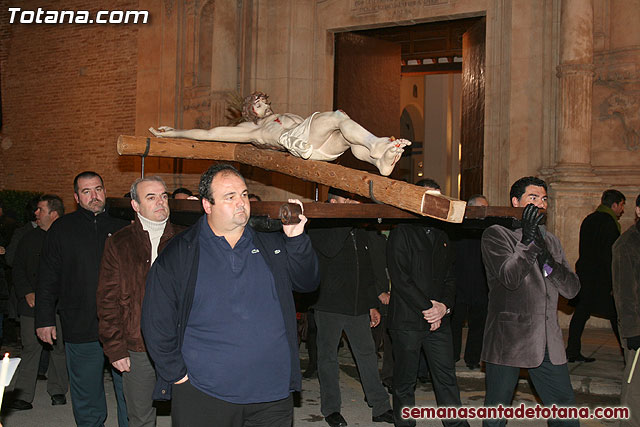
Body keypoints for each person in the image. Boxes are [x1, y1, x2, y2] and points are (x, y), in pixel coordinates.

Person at [141, 163, 319, 426]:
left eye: (244, 194)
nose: (241, 203)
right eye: (230, 197)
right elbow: (156, 320)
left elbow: (307, 282)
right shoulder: (181, 252)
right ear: (207, 205)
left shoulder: (271, 244)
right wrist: (177, 375)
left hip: (271, 393)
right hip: (205, 392)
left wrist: (296, 240)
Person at [481, 176, 580, 427]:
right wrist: (528, 241)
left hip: (547, 341)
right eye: (533, 198)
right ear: (516, 202)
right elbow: (509, 278)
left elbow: (572, 290)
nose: (541, 204)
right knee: (495, 416)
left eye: (544, 199)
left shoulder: (552, 241)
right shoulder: (496, 235)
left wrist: (548, 260)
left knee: (565, 413)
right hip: (508, 340)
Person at [35, 171, 129, 427]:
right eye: (86, 191)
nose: (94, 196)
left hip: (121, 326)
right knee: (86, 394)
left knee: (129, 393)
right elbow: (47, 277)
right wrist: (44, 319)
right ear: (76, 197)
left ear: (105, 191)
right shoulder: (62, 229)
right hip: (80, 323)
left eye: (98, 189)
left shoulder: (123, 228)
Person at [149, 91, 410, 176]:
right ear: (250, 112)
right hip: (300, 143)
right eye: (258, 104)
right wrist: (175, 133)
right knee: (338, 117)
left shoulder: (285, 116)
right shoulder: (252, 129)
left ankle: (378, 161)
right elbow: (211, 133)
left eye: (265, 101)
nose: (265, 105)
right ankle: (376, 145)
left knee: (346, 133)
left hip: (317, 148)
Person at [97, 176, 180, 427]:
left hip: (181, 345)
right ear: (135, 205)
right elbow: (107, 300)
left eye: (164, 196)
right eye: (151, 197)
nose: (160, 202)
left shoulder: (185, 239)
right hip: (137, 345)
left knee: (190, 414)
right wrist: (115, 348)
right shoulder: (118, 243)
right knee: (141, 418)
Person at [308, 188, 394, 427]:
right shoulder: (320, 223)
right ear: (333, 202)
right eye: (348, 200)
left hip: (357, 305)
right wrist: (348, 217)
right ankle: (331, 409)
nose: (355, 204)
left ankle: (380, 406)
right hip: (329, 303)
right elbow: (330, 248)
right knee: (328, 358)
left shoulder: (358, 228)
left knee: (367, 355)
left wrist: (371, 304)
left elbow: (365, 269)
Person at [386, 186, 469, 427]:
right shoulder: (401, 232)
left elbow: (450, 278)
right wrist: (428, 309)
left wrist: (444, 307)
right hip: (408, 321)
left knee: (446, 378)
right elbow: (401, 278)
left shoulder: (443, 235)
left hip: (439, 320)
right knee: (405, 382)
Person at [10, 195, 68, 410]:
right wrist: (26, 292)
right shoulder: (29, 238)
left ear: (54, 214)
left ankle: (58, 390)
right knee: (30, 348)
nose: (36, 213)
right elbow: (17, 268)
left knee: (58, 349)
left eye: (40, 209)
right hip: (31, 305)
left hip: (58, 305)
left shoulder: (66, 237)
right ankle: (24, 395)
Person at [567, 189, 626, 362]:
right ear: (614, 205)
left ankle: (572, 351)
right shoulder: (609, 223)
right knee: (616, 316)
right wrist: (614, 282)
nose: (622, 210)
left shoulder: (589, 219)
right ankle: (628, 355)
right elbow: (610, 255)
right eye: (621, 205)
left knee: (581, 313)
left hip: (586, 275)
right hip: (601, 278)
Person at [450, 194, 490, 370]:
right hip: (458, 287)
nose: (484, 212)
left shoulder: (489, 230)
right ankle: (452, 356)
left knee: (478, 326)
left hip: (481, 287)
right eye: (481, 208)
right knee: (454, 325)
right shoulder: (457, 228)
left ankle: (473, 358)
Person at [612, 193, 640, 427]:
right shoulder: (627, 244)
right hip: (638, 327)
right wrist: (632, 331)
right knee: (635, 388)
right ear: (638, 211)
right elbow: (624, 292)